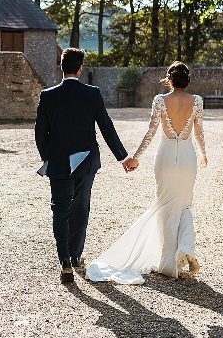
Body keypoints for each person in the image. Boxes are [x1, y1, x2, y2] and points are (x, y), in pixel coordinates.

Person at [86, 61, 208, 284]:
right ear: (187, 79)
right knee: (184, 204)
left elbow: (151, 132)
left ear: (169, 79)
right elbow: (198, 133)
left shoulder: (160, 101)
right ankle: (186, 249)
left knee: (164, 207)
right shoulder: (197, 101)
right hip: (188, 157)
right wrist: (202, 155)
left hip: (165, 156)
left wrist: (135, 157)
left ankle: (168, 262)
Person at [35, 48, 133, 283]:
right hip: (86, 161)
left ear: (62, 67)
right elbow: (106, 128)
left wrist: (47, 157)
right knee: (81, 205)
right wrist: (123, 157)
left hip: (58, 161)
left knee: (59, 209)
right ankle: (76, 254)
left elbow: (40, 133)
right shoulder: (92, 93)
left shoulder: (47, 95)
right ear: (80, 69)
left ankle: (65, 262)